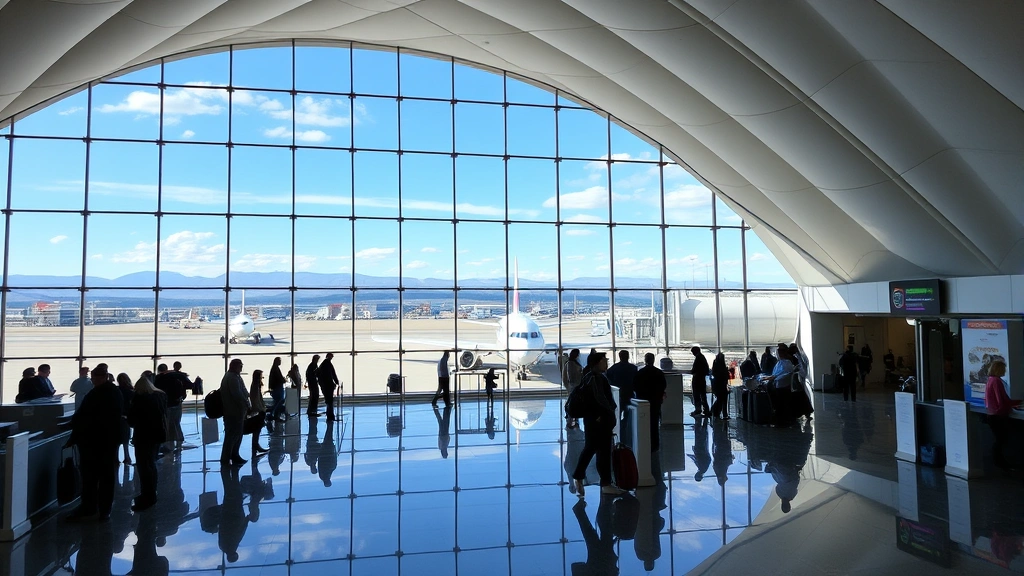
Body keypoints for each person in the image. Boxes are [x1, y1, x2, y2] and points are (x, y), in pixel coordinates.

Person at [65, 364, 123, 521]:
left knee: (90, 475)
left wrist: (74, 432)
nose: (95, 380)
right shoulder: (113, 393)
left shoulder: (96, 394)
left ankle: (90, 506)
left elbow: (84, 416)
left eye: (96, 378)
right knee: (106, 476)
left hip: (93, 441)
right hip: (107, 441)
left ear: (103, 377)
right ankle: (104, 509)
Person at [572, 352, 626, 497]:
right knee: (601, 452)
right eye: (604, 360)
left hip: (594, 421)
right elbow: (600, 400)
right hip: (599, 422)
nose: (606, 362)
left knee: (592, 449)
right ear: (597, 362)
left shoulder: (589, 377)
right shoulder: (596, 378)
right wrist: (605, 414)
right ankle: (605, 483)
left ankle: (585, 477)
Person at [127, 371, 167, 512]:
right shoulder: (160, 397)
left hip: (143, 437)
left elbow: (132, 420)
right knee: (151, 464)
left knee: (143, 466)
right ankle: (152, 493)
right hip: (157, 435)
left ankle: (147, 495)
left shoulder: (139, 399)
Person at [985, 360, 1019, 471]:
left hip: (992, 414)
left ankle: (999, 463)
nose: (1005, 371)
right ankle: (1001, 463)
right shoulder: (997, 381)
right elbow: (1002, 400)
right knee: (1001, 440)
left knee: (999, 439)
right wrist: (1017, 403)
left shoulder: (990, 380)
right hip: (998, 416)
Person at [219, 359, 250, 467]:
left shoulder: (233, 376)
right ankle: (228, 457)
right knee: (233, 435)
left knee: (234, 434)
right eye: (240, 366)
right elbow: (237, 394)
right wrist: (246, 403)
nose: (241, 368)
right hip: (234, 411)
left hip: (234, 411)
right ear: (235, 366)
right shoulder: (232, 378)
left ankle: (231, 455)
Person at [634, 353, 667, 451]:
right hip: (655, 400)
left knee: (643, 422)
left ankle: (644, 442)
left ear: (645, 360)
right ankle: (655, 444)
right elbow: (663, 385)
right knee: (654, 422)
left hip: (643, 400)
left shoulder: (640, 372)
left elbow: (635, 385)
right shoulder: (658, 372)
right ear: (653, 360)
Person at [606, 350, 639, 443]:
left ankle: (618, 426)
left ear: (619, 357)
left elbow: (608, 376)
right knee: (629, 412)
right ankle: (626, 425)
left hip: (619, 393)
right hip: (629, 393)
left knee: (618, 411)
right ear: (628, 356)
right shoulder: (633, 368)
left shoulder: (614, 368)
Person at [154, 363, 186, 453]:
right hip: (177, 403)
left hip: (167, 405)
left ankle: (169, 443)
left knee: (168, 423)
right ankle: (179, 440)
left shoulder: (159, 379)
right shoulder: (176, 377)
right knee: (176, 422)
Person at [116, 373, 135, 464]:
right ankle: (127, 456)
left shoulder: (116, 390)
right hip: (126, 417)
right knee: (126, 438)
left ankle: (115, 457)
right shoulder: (131, 391)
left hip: (116, 417)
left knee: (116, 438)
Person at [249, 370, 269, 455]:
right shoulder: (256, 386)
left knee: (256, 429)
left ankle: (256, 445)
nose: (262, 378)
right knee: (257, 429)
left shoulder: (255, 385)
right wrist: (261, 408)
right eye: (261, 376)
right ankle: (255, 445)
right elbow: (256, 399)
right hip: (258, 410)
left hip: (258, 409)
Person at [563, 348, 583, 428]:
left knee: (573, 400)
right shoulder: (570, 363)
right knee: (572, 400)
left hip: (575, 385)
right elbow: (571, 376)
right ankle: (570, 415)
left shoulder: (573, 362)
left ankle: (573, 416)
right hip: (574, 385)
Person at [689, 346, 711, 417]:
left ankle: (698, 410)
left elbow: (694, 369)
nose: (692, 354)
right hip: (702, 379)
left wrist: (693, 372)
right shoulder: (702, 357)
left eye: (693, 352)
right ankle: (706, 410)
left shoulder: (698, 358)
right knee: (703, 395)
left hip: (697, 379)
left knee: (697, 395)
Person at [317, 353, 339, 421]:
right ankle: (330, 415)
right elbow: (331, 374)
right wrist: (335, 382)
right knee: (329, 400)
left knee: (329, 400)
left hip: (326, 385)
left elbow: (331, 374)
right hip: (327, 385)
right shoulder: (327, 364)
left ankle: (329, 414)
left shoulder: (324, 364)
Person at [710, 351, 730, 419]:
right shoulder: (722, 365)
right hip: (722, 385)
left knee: (720, 399)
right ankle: (724, 414)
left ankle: (715, 412)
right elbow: (724, 375)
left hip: (717, 385)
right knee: (723, 400)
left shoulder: (716, 364)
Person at [268, 357, 287, 422]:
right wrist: (283, 380)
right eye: (279, 361)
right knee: (278, 401)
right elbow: (278, 379)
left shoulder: (274, 368)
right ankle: (274, 415)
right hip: (277, 388)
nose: (280, 362)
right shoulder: (275, 369)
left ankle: (275, 415)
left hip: (276, 388)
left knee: (277, 402)